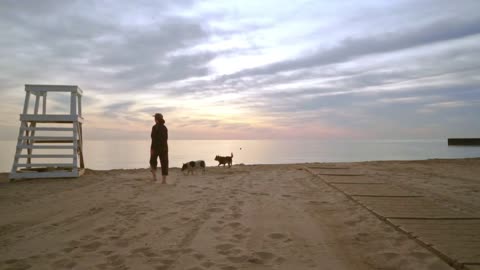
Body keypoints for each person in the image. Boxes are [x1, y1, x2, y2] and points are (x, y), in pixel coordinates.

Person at [150, 113, 168, 183]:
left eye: (155, 118)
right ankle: (164, 180)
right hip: (164, 148)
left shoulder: (154, 127)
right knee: (164, 163)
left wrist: (152, 149)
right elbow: (165, 138)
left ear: (156, 119)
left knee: (153, 162)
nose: (154, 119)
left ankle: (154, 177)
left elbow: (153, 138)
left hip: (155, 147)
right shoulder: (165, 128)